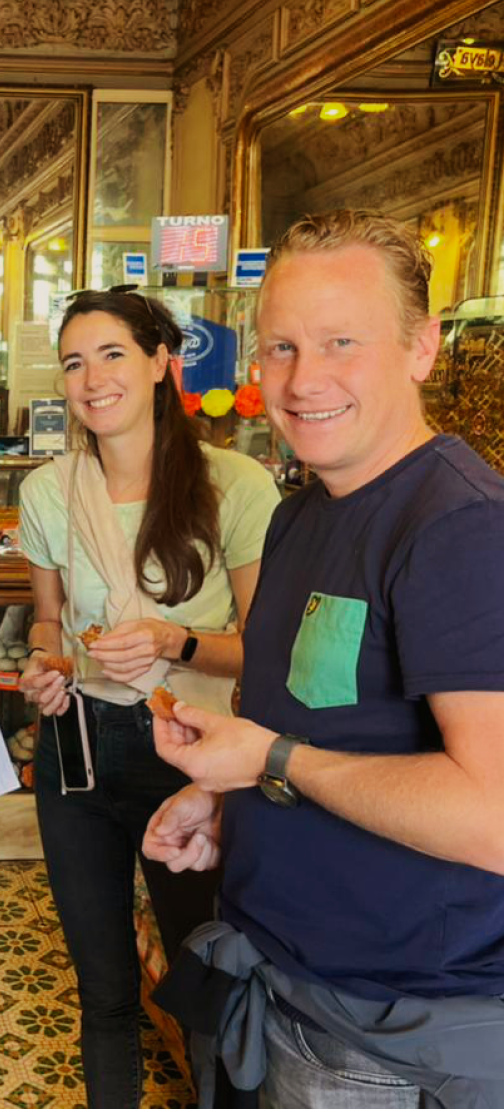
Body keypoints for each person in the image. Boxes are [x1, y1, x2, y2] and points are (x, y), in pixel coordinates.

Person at [142, 211, 504, 1106]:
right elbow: (324, 729)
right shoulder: (301, 513)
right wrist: (234, 803)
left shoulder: (458, 528)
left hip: (393, 1021)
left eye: (342, 342)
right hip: (291, 983)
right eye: (280, 348)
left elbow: (493, 816)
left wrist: (268, 761)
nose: (304, 381)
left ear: (422, 348)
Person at [16, 289, 279, 1109]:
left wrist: (176, 641)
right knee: (105, 989)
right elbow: (49, 625)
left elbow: (265, 653)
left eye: (113, 354)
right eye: (73, 361)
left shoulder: (233, 485)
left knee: (205, 981)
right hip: (80, 755)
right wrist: (43, 670)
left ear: (162, 363)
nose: (91, 378)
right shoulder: (48, 491)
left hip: (192, 755)